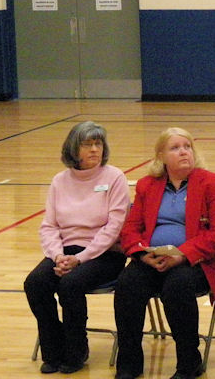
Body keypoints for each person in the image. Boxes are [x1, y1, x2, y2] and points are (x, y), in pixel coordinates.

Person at [113, 127, 215, 379]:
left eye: (187, 146)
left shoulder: (212, 183)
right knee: (127, 284)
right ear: (161, 156)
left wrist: (183, 255)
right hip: (152, 259)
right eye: (175, 148)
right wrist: (141, 254)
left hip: (197, 262)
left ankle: (189, 363)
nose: (183, 152)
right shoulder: (147, 185)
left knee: (176, 287)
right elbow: (131, 228)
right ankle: (129, 364)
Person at [24, 121, 130, 375]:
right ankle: (53, 349)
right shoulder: (59, 181)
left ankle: (76, 351)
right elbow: (49, 226)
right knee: (35, 283)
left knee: (70, 284)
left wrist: (80, 258)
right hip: (65, 251)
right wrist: (58, 256)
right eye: (87, 144)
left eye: (98, 144)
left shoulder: (114, 177)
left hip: (104, 254)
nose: (94, 149)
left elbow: (113, 228)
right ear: (73, 149)